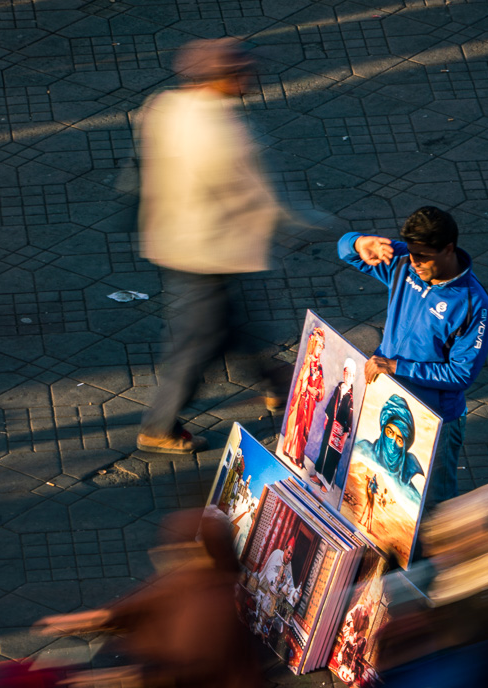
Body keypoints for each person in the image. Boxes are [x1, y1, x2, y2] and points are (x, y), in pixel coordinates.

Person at [134, 39, 288, 455]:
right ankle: (158, 427)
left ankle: (277, 382)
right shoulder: (222, 133)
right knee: (197, 343)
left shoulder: (165, 106)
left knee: (231, 322)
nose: (247, 78)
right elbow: (255, 196)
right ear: (218, 78)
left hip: (173, 238)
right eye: (239, 72)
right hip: (205, 251)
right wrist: (300, 221)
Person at [338, 206, 488, 505]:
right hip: (386, 400)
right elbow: (347, 251)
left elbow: (461, 374)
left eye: (423, 256)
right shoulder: (404, 263)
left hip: (435, 420)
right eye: (411, 253)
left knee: (433, 506)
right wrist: (358, 242)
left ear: (448, 249)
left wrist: (398, 366)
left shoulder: (474, 305)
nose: (415, 262)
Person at [34, 508, 261, 688]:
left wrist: (122, 678)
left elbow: (192, 671)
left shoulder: (213, 607)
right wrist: (92, 620)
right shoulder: (190, 577)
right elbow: (144, 604)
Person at [353, 394, 424, 500]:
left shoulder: (408, 491)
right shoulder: (362, 450)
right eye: (390, 432)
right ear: (383, 430)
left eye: (399, 439)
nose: (392, 442)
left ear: (404, 447)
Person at [283, 327, 326, 466]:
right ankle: (293, 453)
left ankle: (299, 454)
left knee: (306, 428)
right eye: (319, 345)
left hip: (311, 403)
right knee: (298, 425)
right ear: (313, 345)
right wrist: (309, 388)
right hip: (303, 399)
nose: (321, 348)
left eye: (322, 346)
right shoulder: (308, 361)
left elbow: (322, 385)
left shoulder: (319, 366)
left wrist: (318, 391)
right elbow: (302, 379)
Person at [312, 357, 356, 492]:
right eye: (346, 373)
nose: (348, 376)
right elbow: (332, 402)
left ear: (353, 377)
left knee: (333, 455)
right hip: (331, 422)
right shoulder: (338, 388)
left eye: (351, 375)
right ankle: (319, 474)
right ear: (343, 373)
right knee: (324, 447)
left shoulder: (351, 397)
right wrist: (327, 417)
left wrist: (346, 433)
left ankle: (327, 482)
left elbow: (350, 416)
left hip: (340, 429)